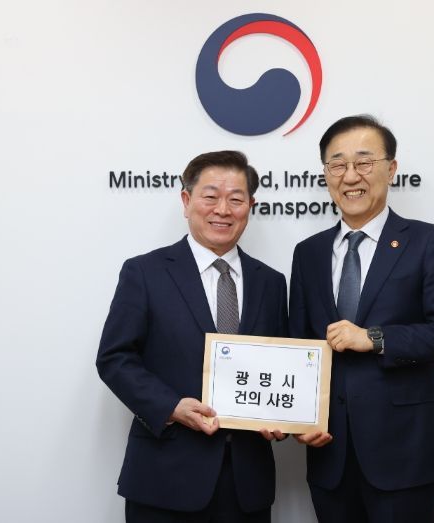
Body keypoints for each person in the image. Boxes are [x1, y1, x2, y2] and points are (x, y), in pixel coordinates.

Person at [289, 115, 434, 523]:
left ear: (391, 169)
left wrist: (374, 338)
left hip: (405, 451)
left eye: (364, 162)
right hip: (329, 453)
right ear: (326, 174)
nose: (350, 175)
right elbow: (300, 348)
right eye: (337, 164)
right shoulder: (308, 253)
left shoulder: (428, 241)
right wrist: (299, 419)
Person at [97, 150, 288, 523]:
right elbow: (115, 358)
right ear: (186, 201)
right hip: (165, 478)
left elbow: (280, 363)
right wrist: (170, 406)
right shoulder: (145, 272)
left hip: (247, 485)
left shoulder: (271, 282)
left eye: (236, 199)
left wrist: (282, 417)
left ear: (251, 206)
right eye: (210, 196)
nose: (223, 210)